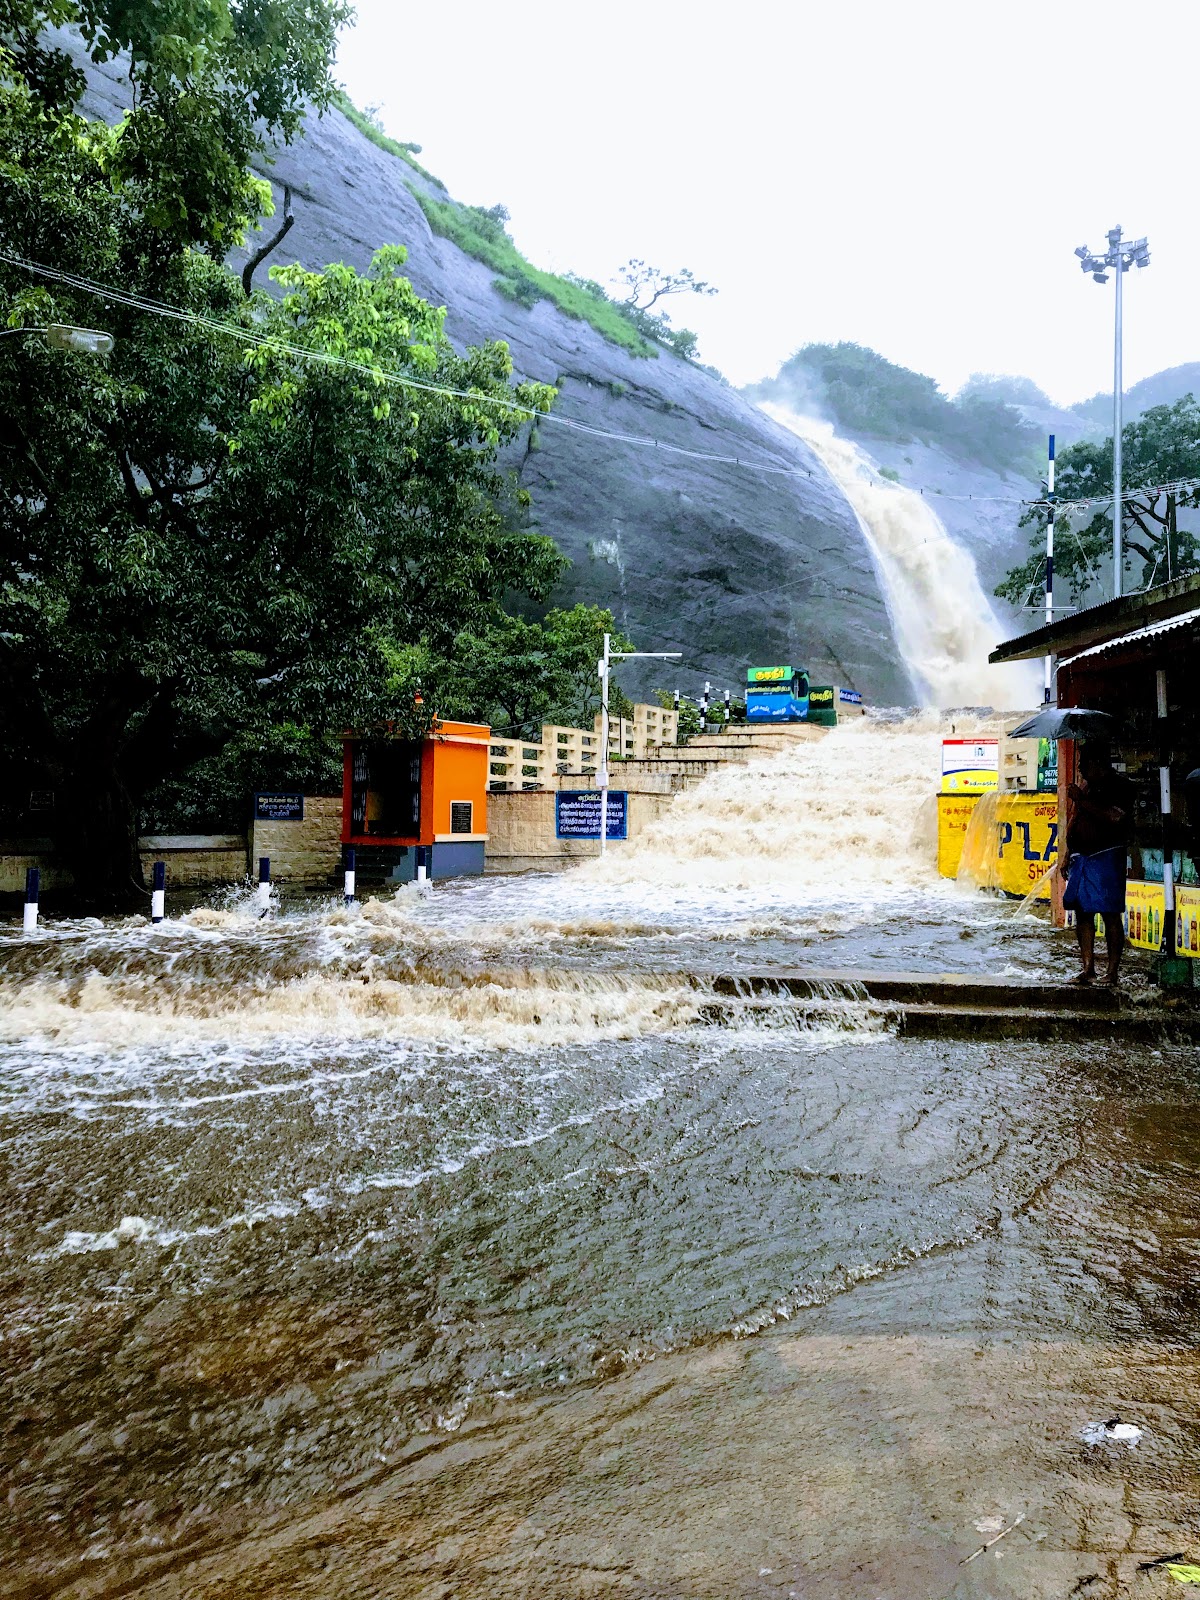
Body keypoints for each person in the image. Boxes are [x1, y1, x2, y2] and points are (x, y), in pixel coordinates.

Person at [1060, 742, 1134, 986]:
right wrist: (1067, 853)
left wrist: (1081, 800)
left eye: (1083, 764)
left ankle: (1112, 973)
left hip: (1106, 856)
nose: (1079, 769)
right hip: (1081, 856)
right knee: (1082, 912)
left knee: (1110, 914)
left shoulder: (1120, 786)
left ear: (1098, 764)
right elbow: (1075, 819)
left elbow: (1115, 817)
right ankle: (1087, 968)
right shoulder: (1086, 787)